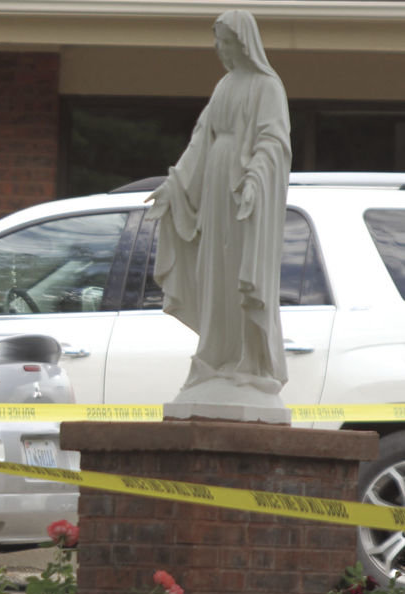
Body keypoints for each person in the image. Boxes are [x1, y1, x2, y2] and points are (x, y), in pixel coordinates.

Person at [145, 9, 291, 410]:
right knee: (216, 276)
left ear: (243, 43)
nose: (219, 50)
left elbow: (274, 141)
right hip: (214, 191)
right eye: (217, 42)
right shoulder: (224, 86)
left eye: (225, 42)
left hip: (244, 197)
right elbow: (199, 141)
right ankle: (216, 358)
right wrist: (174, 184)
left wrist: (256, 180)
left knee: (240, 276)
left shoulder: (267, 87)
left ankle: (248, 364)